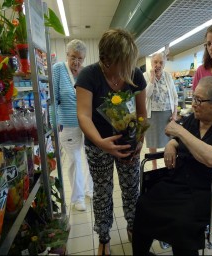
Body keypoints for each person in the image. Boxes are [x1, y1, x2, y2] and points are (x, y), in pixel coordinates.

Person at [132, 76, 212, 255]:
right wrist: (172, 143)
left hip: (210, 189)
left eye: (199, 100)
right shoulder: (194, 120)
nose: (193, 104)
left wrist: (179, 132)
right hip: (182, 180)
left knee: (181, 221)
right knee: (144, 204)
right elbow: (184, 140)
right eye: (193, 98)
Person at [75, 29, 147, 256]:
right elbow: (84, 116)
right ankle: (104, 238)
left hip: (128, 143)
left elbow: (142, 113)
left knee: (131, 190)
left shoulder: (134, 74)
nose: (130, 67)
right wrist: (100, 142)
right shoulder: (89, 75)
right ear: (108, 59)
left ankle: (134, 228)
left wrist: (140, 139)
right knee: (103, 192)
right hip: (98, 145)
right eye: (124, 61)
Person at [52, 39, 93, 212]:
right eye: (73, 57)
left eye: (80, 58)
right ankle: (77, 198)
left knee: (90, 157)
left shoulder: (84, 73)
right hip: (67, 124)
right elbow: (52, 98)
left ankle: (89, 190)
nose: (77, 62)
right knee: (75, 160)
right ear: (67, 55)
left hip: (87, 123)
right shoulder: (58, 69)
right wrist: (53, 125)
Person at [143, 52, 178, 170]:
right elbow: (146, 94)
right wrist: (152, 79)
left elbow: (174, 96)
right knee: (153, 142)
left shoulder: (168, 76)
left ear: (164, 63)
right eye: (155, 62)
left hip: (167, 113)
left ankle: (169, 163)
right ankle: (154, 166)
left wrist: (174, 114)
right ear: (151, 63)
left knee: (170, 140)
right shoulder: (146, 75)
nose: (158, 65)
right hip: (152, 114)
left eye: (161, 62)